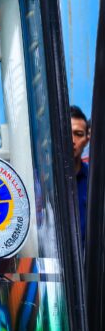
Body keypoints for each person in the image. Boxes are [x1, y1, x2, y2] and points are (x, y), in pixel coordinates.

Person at [70, 105, 90, 246]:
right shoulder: (43, 182)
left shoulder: (95, 182)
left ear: (86, 140)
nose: (72, 140)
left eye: (78, 134)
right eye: (67, 132)